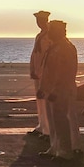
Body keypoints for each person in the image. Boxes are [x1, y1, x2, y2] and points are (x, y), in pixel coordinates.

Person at [39, 20, 81, 161]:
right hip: (50, 89)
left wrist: (55, 90)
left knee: (61, 120)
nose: (48, 32)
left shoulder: (65, 48)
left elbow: (65, 72)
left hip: (61, 90)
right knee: (53, 120)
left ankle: (64, 151)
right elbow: (47, 70)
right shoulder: (54, 46)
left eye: (51, 30)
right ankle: (55, 147)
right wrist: (42, 88)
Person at [28, 11, 51, 140]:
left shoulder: (49, 36)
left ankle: (48, 129)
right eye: (37, 21)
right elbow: (35, 54)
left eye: (40, 20)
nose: (39, 23)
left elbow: (48, 56)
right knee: (40, 100)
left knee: (46, 100)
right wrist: (32, 69)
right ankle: (42, 126)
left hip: (45, 72)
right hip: (38, 72)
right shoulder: (39, 36)